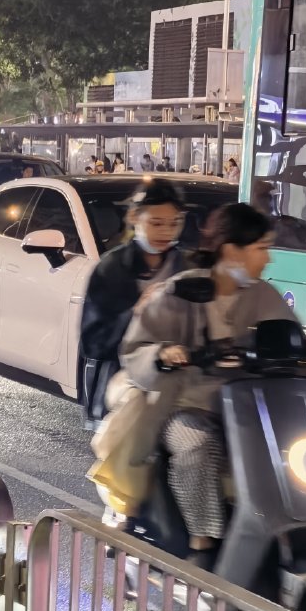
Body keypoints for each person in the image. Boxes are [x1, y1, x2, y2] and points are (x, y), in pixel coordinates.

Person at [120, 203, 296, 556]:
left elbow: (291, 344)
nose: (268, 259)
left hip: (250, 410)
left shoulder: (265, 296)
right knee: (197, 446)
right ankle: (202, 541)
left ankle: (284, 531)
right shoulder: (180, 291)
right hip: (186, 405)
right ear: (232, 251)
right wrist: (163, 354)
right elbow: (134, 349)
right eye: (261, 248)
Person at [80, 180, 189, 428]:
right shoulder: (111, 268)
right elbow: (93, 342)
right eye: (156, 223)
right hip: (122, 385)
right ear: (134, 217)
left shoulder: (185, 265)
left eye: (174, 223)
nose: (166, 232)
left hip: (175, 385)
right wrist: (136, 312)